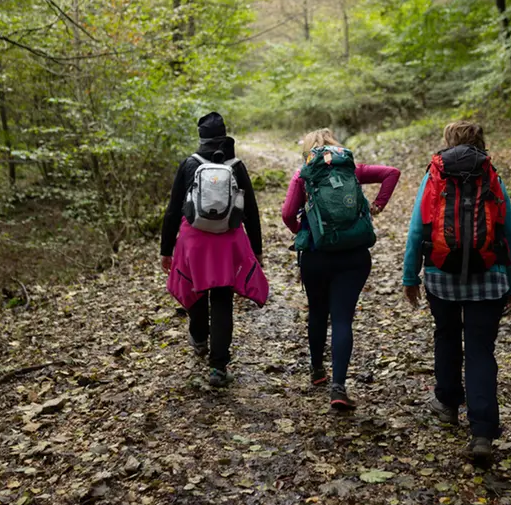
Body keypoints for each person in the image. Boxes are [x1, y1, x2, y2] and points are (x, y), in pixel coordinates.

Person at [402, 121, 511, 460]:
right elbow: (510, 234)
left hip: (441, 276)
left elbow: (417, 230)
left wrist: (410, 277)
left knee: (447, 337)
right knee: (481, 350)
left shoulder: (435, 175)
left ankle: (448, 404)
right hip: (490, 277)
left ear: (448, 141)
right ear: (481, 141)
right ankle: (482, 432)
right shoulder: (491, 176)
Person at [282, 128, 400, 410]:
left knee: (317, 312)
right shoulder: (351, 169)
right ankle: (339, 387)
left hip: (316, 256)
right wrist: (377, 206)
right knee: (343, 319)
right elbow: (391, 173)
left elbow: (287, 214)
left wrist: (304, 232)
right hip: (354, 256)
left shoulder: (304, 174)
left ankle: (317, 371)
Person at [161, 112, 267, 388]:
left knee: (195, 288)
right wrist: (256, 250)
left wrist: (165, 249)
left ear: (201, 137)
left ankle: (199, 339)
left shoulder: (189, 164)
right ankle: (218, 368)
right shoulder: (236, 165)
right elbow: (251, 210)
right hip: (227, 240)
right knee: (222, 299)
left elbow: (173, 210)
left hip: (193, 240)